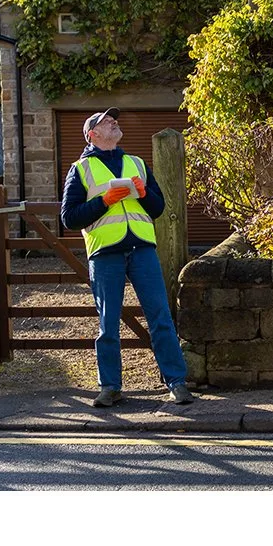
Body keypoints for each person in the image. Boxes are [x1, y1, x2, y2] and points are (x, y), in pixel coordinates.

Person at [60, 108, 193, 408]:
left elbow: (157, 208)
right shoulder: (80, 169)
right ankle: (110, 387)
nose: (113, 122)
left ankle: (176, 382)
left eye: (114, 119)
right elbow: (69, 218)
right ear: (91, 134)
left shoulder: (137, 163)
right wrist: (103, 202)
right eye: (106, 121)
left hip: (142, 250)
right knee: (108, 323)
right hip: (105, 253)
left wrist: (144, 193)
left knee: (160, 316)